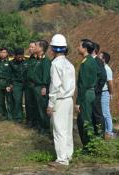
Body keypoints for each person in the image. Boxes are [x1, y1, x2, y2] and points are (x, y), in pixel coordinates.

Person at [46, 34, 76, 167]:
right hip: (69, 99)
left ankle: (62, 159)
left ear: (53, 49)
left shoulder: (55, 64)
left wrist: (50, 104)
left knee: (59, 129)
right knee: (67, 129)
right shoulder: (70, 64)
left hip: (60, 99)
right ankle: (68, 154)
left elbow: (55, 86)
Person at [75, 39, 98, 151]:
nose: (78, 47)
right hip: (91, 92)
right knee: (86, 119)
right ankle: (90, 145)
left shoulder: (86, 63)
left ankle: (89, 147)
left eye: (79, 45)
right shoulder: (92, 61)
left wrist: (78, 102)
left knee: (85, 120)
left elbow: (83, 84)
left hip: (85, 94)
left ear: (84, 48)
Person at [30, 40, 51, 134]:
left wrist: (44, 87)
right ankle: (39, 125)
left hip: (41, 87)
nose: (34, 47)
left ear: (41, 48)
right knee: (36, 107)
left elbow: (46, 75)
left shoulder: (45, 60)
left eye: (36, 46)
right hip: (35, 86)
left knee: (42, 108)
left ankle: (45, 128)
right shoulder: (38, 59)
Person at [9, 48, 29, 123]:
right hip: (16, 83)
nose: (20, 58)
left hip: (26, 83)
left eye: (21, 56)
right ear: (15, 56)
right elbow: (9, 74)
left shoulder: (27, 61)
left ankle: (28, 117)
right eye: (18, 56)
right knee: (17, 100)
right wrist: (10, 84)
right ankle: (18, 117)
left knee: (28, 101)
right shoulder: (11, 63)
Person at [91, 42, 107, 137]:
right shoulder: (90, 60)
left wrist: (97, 89)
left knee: (97, 114)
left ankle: (100, 135)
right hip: (92, 92)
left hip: (96, 92)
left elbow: (103, 77)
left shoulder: (98, 61)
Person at [99, 51, 114, 139]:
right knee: (102, 112)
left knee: (106, 113)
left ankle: (109, 131)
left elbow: (110, 82)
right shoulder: (101, 68)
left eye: (100, 57)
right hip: (101, 93)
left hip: (105, 93)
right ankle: (105, 130)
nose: (98, 57)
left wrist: (111, 93)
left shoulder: (107, 69)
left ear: (103, 59)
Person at [25, 41, 38, 128]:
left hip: (36, 85)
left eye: (32, 47)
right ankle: (30, 121)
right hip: (28, 85)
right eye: (29, 47)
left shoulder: (40, 59)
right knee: (28, 104)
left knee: (36, 104)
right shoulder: (29, 59)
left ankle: (37, 122)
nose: (30, 49)